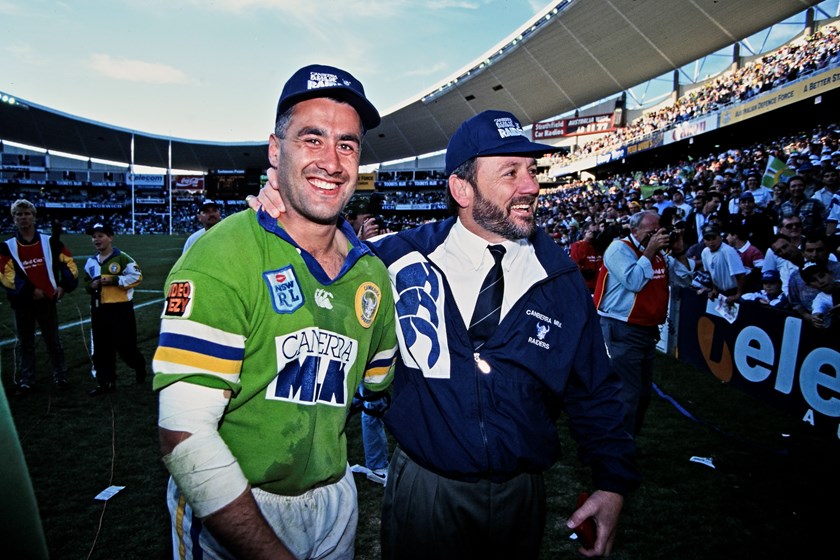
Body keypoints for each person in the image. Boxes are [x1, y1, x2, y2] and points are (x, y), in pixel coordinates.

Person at [255, 109, 640, 559]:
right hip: (425, 490)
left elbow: (595, 390)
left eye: (532, 171)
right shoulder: (396, 256)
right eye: (510, 172)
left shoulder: (559, 278)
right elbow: (316, 247)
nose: (532, 186)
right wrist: (276, 207)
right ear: (461, 188)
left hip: (521, 496)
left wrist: (613, 483)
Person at [153, 64, 398, 560]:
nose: (332, 161)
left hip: (334, 499)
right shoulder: (221, 255)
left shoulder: (372, 277)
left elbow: (379, 385)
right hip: (231, 502)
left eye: (347, 144)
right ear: (274, 150)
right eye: (313, 138)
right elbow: (184, 436)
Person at [594, 210, 694, 437]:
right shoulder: (619, 249)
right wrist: (649, 252)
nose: (656, 236)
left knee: (642, 394)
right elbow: (634, 281)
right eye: (651, 232)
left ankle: (626, 440)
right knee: (627, 393)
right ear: (634, 231)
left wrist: (679, 251)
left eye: (659, 231)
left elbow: (685, 279)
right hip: (622, 328)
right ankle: (618, 447)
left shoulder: (659, 254)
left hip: (646, 331)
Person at [0, 199, 77, 396]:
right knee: (26, 343)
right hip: (23, 302)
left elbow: (68, 264)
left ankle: (60, 375)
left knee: (53, 340)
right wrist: (29, 291)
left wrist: (64, 286)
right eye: (19, 214)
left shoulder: (50, 241)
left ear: (34, 217)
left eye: (27, 214)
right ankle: (27, 380)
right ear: (13, 218)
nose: (23, 217)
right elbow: (5, 275)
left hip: (47, 301)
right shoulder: (7, 247)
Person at [82, 222, 147, 395]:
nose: (97, 239)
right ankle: (106, 383)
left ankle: (139, 365)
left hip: (121, 310)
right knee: (102, 349)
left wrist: (116, 281)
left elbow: (137, 277)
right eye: (94, 236)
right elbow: (86, 283)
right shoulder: (90, 262)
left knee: (126, 348)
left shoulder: (123, 258)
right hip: (99, 309)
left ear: (110, 237)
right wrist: (92, 285)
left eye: (101, 235)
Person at [699, 223, 746, 305]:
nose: (711, 242)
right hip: (720, 292)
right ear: (704, 240)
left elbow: (741, 274)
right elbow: (711, 272)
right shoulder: (705, 252)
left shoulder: (728, 251)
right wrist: (714, 289)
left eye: (714, 238)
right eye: (708, 239)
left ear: (720, 238)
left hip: (733, 292)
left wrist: (738, 294)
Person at [799, 260, 840, 329]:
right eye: (814, 280)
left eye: (822, 276)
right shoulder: (820, 300)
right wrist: (816, 318)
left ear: (830, 273)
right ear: (810, 286)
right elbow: (817, 310)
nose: (821, 281)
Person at [569, 220, 603, 293]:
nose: (593, 233)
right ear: (585, 232)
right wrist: (586, 240)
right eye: (591, 231)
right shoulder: (577, 245)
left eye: (595, 231)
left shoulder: (599, 246)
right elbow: (576, 262)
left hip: (599, 284)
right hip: (585, 284)